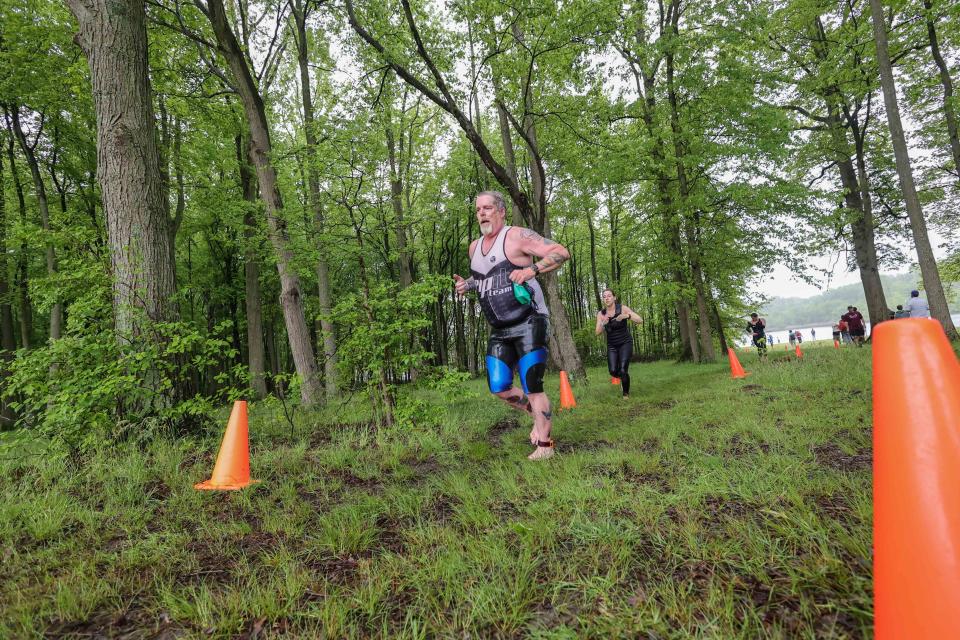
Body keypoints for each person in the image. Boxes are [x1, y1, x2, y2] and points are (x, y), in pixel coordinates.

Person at [454, 191, 570, 461]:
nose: (482, 213)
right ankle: (537, 418)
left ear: (501, 211)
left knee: (533, 385)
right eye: (478, 209)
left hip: (529, 320)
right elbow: (484, 277)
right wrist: (467, 285)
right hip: (499, 329)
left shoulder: (517, 235)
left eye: (488, 208)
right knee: (499, 387)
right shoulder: (474, 247)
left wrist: (533, 270)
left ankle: (545, 445)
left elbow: (560, 252)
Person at [595, 289, 643, 397]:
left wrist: (627, 316)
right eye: (604, 296)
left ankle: (625, 394)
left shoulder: (622, 308)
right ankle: (623, 377)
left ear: (614, 298)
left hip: (625, 342)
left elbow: (640, 320)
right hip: (612, 345)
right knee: (612, 371)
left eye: (609, 296)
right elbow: (597, 332)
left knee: (622, 369)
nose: (606, 298)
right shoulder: (601, 314)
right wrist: (603, 323)